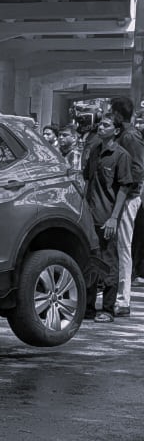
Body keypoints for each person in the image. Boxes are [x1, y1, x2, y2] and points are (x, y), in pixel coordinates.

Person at [83, 113, 134, 323]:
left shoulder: (121, 156)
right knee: (91, 262)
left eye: (106, 125)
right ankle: (87, 307)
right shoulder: (94, 151)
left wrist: (114, 218)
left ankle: (107, 308)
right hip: (90, 216)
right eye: (100, 124)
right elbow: (86, 180)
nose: (100, 128)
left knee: (108, 262)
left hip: (107, 217)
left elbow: (124, 188)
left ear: (116, 130)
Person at [108, 96, 144, 317]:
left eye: (111, 112)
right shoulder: (122, 134)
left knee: (123, 246)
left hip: (127, 197)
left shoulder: (130, 136)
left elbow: (138, 168)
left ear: (119, 114)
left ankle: (123, 299)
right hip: (119, 197)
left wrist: (125, 190)